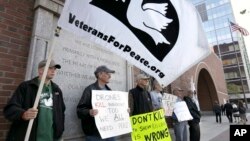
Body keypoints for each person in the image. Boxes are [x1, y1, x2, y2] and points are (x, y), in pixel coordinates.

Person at [3, 59, 65, 141]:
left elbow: (61, 113)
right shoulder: (27, 86)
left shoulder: (56, 90)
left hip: (51, 137)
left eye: (55, 69)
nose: (53, 71)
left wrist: (59, 133)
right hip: (30, 136)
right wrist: (23, 114)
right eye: (50, 68)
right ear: (40, 71)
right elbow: (10, 109)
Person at [77, 65, 116, 141]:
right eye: (108, 73)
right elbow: (80, 110)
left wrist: (124, 110)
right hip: (95, 134)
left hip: (110, 132)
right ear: (100, 75)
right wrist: (89, 112)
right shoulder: (89, 90)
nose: (110, 76)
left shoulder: (110, 91)